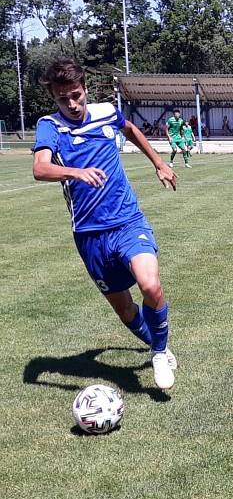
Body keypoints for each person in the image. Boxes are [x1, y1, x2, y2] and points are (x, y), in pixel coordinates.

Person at [31, 58, 178, 390]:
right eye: (62, 99)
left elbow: (130, 129)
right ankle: (158, 344)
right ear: (53, 98)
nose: (71, 104)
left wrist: (158, 163)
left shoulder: (107, 112)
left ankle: (158, 352)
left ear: (84, 88)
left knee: (150, 286)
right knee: (124, 308)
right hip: (89, 234)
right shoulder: (50, 126)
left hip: (127, 221)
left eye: (76, 95)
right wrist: (74, 171)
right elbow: (40, 168)